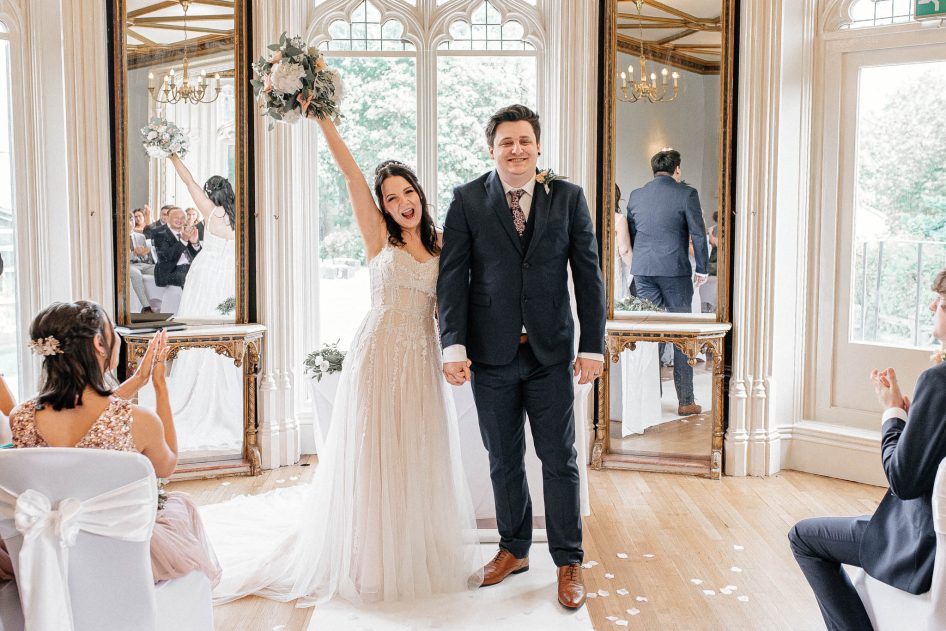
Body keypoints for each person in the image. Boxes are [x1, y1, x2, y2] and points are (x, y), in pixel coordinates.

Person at [198, 114, 481, 606]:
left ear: (420, 193)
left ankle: (412, 548)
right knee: (377, 453)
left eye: (406, 192)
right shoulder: (378, 236)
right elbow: (351, 174)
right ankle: (369, 557)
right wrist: (323, 117)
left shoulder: (440, 244)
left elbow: (454, 306)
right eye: (390, 197)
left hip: (420, 357)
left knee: (417, 451)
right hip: (377, 354)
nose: (401, 203)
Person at [437, 104, 606, 609]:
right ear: (492, 149)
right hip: (490, 355)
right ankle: (513, 549)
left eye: (525, 140)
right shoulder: (467, 200)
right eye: (506, 141)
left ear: (537, 145)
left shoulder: (569, 198)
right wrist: (454, 344)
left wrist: (592, 346)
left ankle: (568, 559)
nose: (516, 149)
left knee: (559, 459)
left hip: (551, 354)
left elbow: (589, 277)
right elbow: (453, 280)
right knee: (503, 458)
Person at [0, 302, 220, 585]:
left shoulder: (21, 417)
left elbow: (82, 422)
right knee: (180, 505)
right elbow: (167, 465)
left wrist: (137, 381)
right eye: (111, 331)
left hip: (48, 551)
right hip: (118, 553)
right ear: (98, 344)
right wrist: (159, 386)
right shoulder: (139, 420)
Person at [788, 268, 946, 630]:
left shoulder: (938, 382)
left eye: (940, 303)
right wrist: (915, 419)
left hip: (922, 546)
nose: (933, 308)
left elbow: (903, 481)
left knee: (803, 537)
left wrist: (891, 412)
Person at [626, 148, 708, 415]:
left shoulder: (637, 195)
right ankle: (686, 401)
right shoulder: (686, 193)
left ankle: (650, 400)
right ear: (677, 169)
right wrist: (703, 268)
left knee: (651, 334)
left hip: (643, 270)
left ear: (653, 169)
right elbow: (698, 233)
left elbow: (635, 233)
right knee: (681, 334)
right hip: (673, 270)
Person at [167, 156, 234, 319]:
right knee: (226, 313)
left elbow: (189, 181)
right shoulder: (240, 214)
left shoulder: (209, 210)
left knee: (199, 310)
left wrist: (172, 156)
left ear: (208, 192)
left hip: (205, 269)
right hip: (232, 270)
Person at [152, 207, 200, 289]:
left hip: (189, 267)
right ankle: (188, 301)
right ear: (169, 219)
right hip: (170, 271)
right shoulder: (160, 234)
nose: (179, 220)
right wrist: (183, 240)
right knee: (189, 274)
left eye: (182, 218)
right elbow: (166, 257)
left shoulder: (187, 232)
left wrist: (195, 243)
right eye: (176, 218)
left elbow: (199, 256)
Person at [614, 184, 633, 303]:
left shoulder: (588, 216)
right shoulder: (618, 219)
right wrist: (636, 271)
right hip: (612, 272)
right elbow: (625, 251)